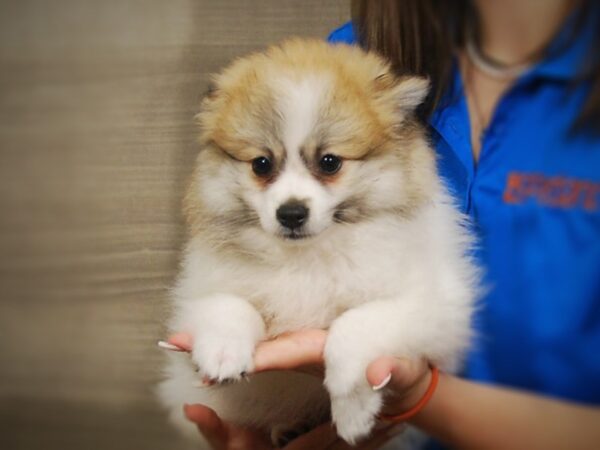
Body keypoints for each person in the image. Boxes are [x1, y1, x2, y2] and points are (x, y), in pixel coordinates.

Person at [168, 0, 600, 448]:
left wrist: (414, 397)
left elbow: (432, 311)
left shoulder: (370, 93)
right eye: (262, 166)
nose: (292, 198)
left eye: (329, 164)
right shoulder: (354, 52)